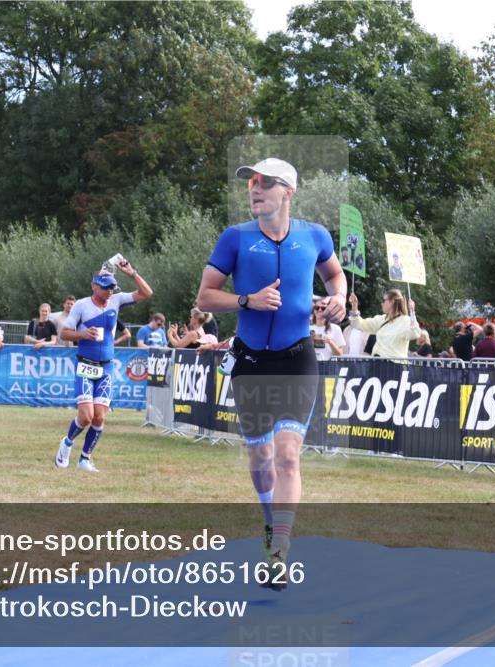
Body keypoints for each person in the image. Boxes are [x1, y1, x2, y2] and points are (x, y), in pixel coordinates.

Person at [197, 157, 346, 588]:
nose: (254, 189)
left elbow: (336, 278)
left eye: (264, 183)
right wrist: (247, 300)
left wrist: (337, 298)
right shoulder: (235, 239)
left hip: (297, 357)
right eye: (250, 184)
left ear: (288, 192)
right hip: (250, 362)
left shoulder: (315, 236)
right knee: (260, 457)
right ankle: (270, 524)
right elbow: (205, 298)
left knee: (287, 454)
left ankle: (279, 550)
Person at [54, 260, 153, 473]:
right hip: (85, 365)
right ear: (94, 286)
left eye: (112, 288)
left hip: (106, 367)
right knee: (86, 416)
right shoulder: (81, 305)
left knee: (99, 416)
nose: (109, 291)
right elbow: (64, 333)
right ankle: (67, 443)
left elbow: (147, 293)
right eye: (105, 287)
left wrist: (132, 272)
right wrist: (82, 334)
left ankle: (85, 458)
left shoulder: (116, 300)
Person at [347, 290, 421, 359]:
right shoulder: (381, 319)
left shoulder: (405, 320)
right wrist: (354, 306)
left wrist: (412, 312)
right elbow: (359, 324)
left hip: (395, 367)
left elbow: (415, 333)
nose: (381, 303)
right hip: (377, 364)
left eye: (384, 300)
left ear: (392, 301)